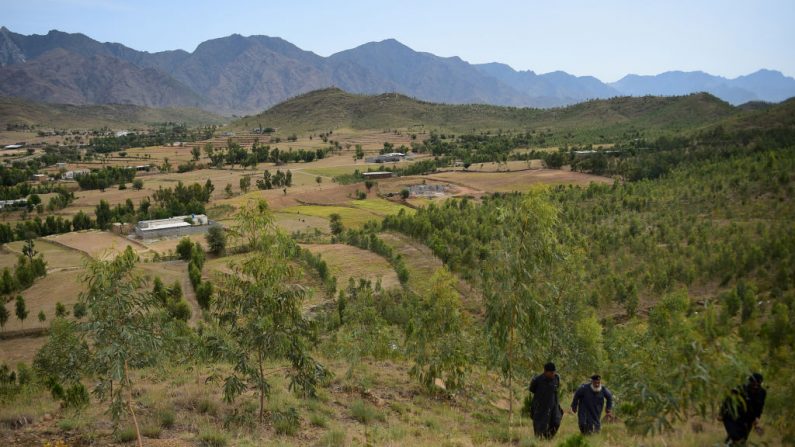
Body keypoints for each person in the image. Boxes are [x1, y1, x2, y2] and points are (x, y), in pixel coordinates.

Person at [720, 373, 766, 444]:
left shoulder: (762, 392)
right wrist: (721, 413)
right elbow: (727, 400)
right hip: (734, 417)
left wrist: (757, 418)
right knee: (735, 437)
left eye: (758, 384)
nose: (756, 386)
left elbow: (760, 406)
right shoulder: (740, 389)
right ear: (750, 382)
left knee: (742, 439)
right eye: (754, 383)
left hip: (749, 419)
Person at [529, 362, 563, 439]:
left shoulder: (556, 378)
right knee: (540, 424)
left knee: (556, 421)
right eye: (551, 373)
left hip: (553, 404)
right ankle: (539, 440)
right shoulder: (537, 380)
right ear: (545, 372)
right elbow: (532, 389)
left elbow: (556, 387)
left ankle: (548, 437)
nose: (553, 374)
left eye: (554, 372)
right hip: (541, 405)